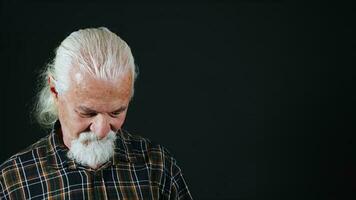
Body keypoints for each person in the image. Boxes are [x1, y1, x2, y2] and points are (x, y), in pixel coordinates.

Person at [0, 27, 193, 200]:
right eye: (87, 113)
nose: (101, 130)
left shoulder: (158, 166)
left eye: (116, 112)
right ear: (55, 91)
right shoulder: (12, 181)